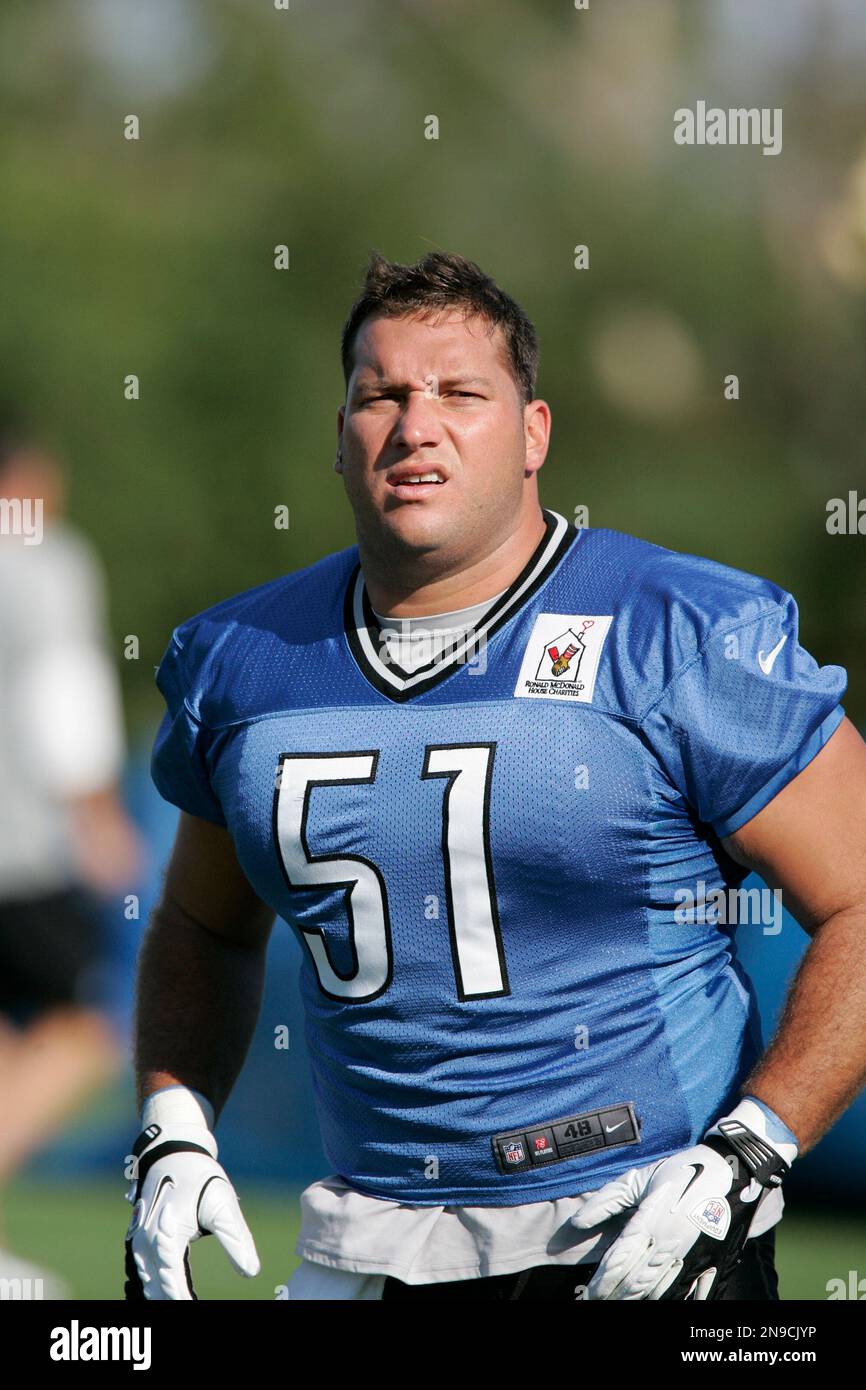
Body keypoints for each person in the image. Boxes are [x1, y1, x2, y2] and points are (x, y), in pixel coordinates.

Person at [125, 251, 866, 1302]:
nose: (413, 423)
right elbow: (203, 924)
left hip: (641, 1231)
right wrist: (173, 1125)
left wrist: (753, 1148)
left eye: (458, 393)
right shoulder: (243, 658)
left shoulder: (669, 628)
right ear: (338, 438)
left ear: (532, 435)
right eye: (378, 394)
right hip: (366, 1244)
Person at [0, 421, 142, 1293]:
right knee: (85, 1028)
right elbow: (67, 694)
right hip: (20, 849)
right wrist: (97, 816)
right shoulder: (42, 559)